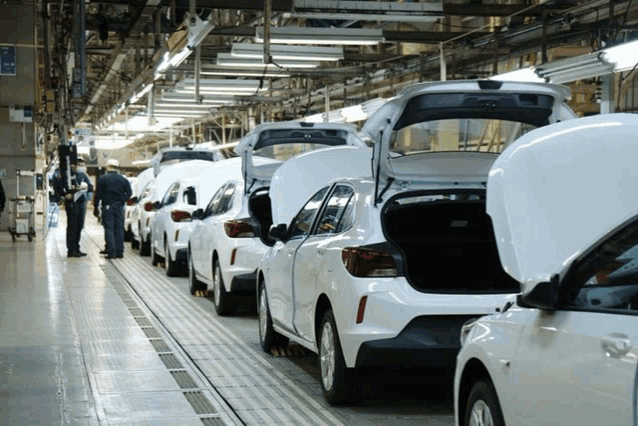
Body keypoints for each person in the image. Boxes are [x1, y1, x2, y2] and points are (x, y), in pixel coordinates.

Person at [54, 157, 93, 257]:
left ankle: (77, 248)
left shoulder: (83, 175)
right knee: (72, 226)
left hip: (81, 202)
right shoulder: (65, 175)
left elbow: (90, 186)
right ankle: (71, 250)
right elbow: (57, 187)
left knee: (79, 226)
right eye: (79, 164)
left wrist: (85, 188)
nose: (80, 167)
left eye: (82, 165)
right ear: (72, 165)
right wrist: (64, 195)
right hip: (72, 203)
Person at [94, 159, 132, 259]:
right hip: (119, 207)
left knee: (109, 229)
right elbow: (129, 193)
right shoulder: (123, 179)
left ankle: (112, 252)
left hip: (107, 207)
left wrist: (95, 207)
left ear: (108, 167)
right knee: (119, 229)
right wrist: (121, 200)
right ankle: (120, 252)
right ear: (117, 167)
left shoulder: (103, 179)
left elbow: (97, 195)